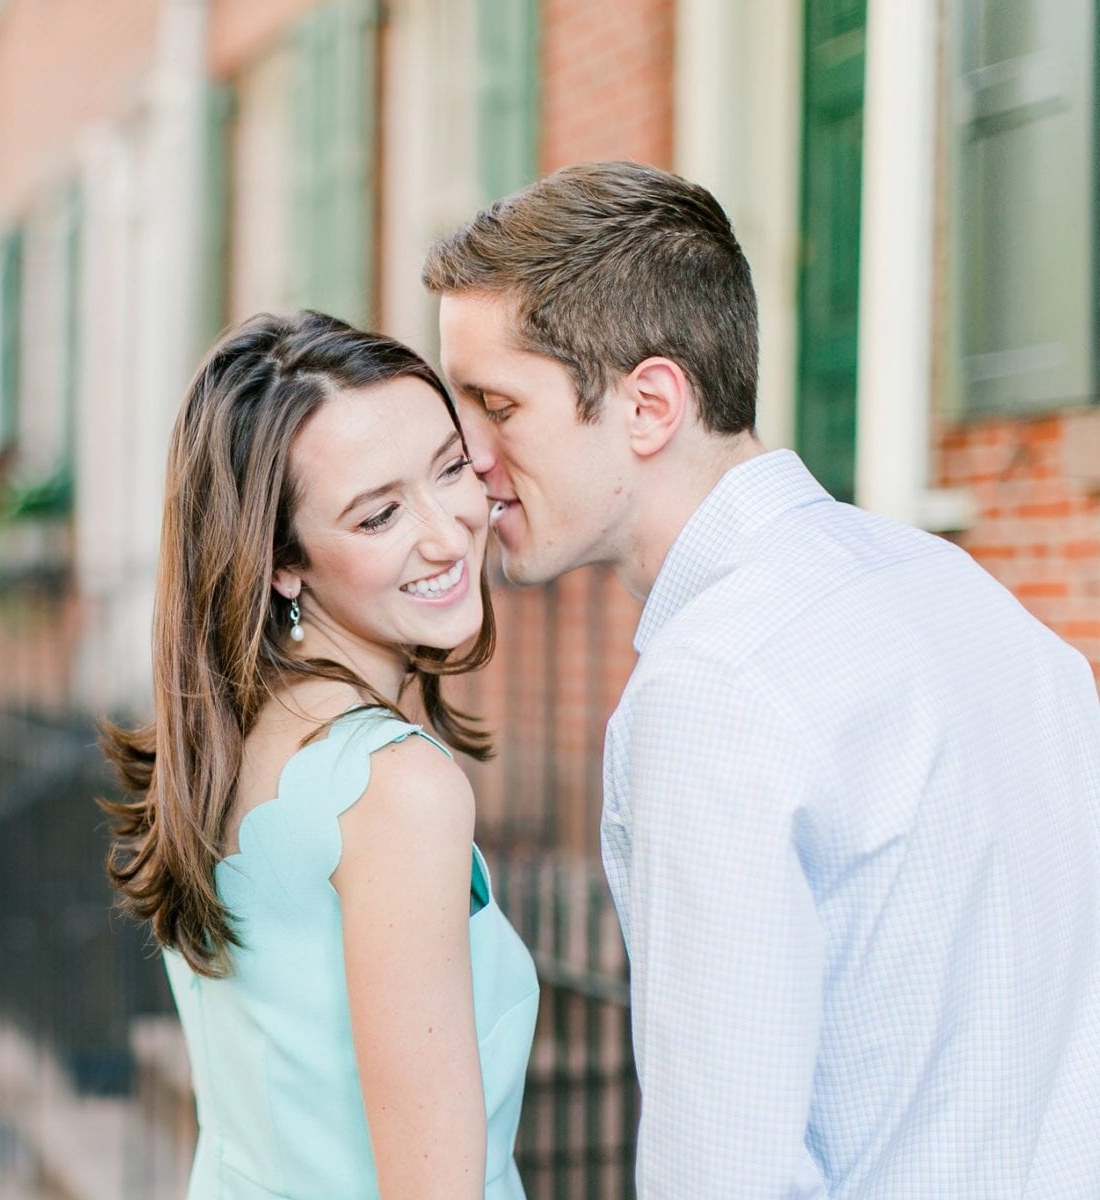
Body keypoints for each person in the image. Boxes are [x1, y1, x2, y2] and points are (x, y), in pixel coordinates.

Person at [424, 159, 1100, 1198]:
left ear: (650, 405)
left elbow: (720, 1167)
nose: (468, 456)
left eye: (496, 403)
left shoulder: (714, 689)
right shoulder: (972, 599)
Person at [102, 311, 540, 1198]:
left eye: (451, 467)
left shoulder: (233, 746)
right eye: (379, 514)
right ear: (284, 563)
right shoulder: (394, 789)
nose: (448, 532)